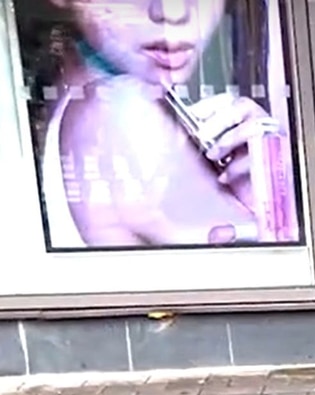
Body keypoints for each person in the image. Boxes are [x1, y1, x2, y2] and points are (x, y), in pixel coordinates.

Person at [19, 0, 283, 248]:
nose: (173, 12)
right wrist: (281, 196)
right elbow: (283, 282)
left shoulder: (70, 95)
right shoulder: (121, 108)